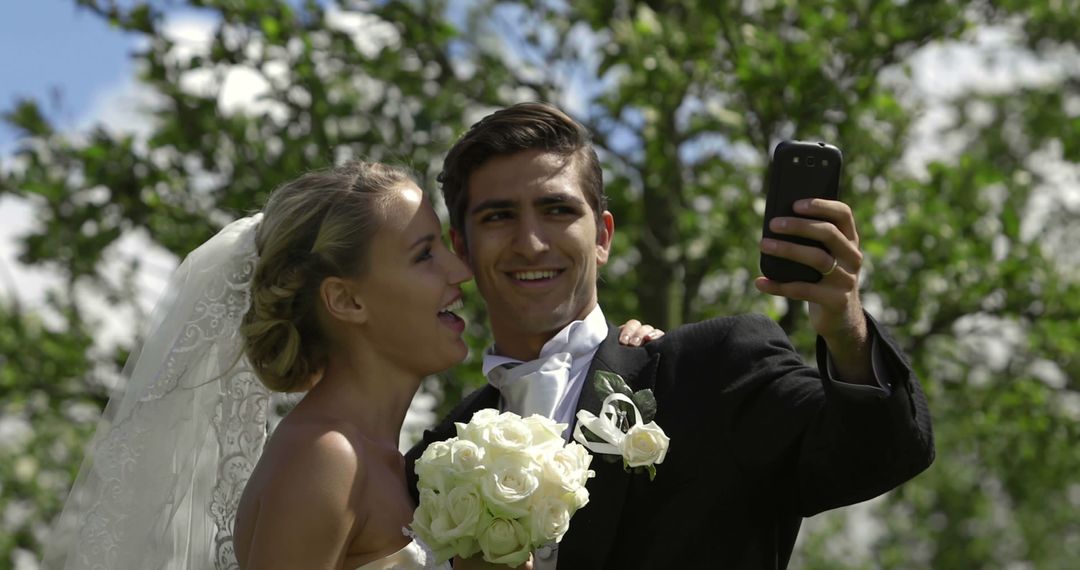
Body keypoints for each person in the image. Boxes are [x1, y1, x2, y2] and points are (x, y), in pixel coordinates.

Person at [42, 160, 657, 570]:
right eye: (424, 255)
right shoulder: (324, 460)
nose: (460, 271)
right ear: (347, 299)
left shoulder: (401, 462)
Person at [405, 103, 935, 569]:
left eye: (558, 210)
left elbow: (879, 453)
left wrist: (845, 327)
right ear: (464, 247)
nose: (531, 242)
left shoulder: (711, 369)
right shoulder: (436, 462)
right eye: (499, 216)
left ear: (603, 237)